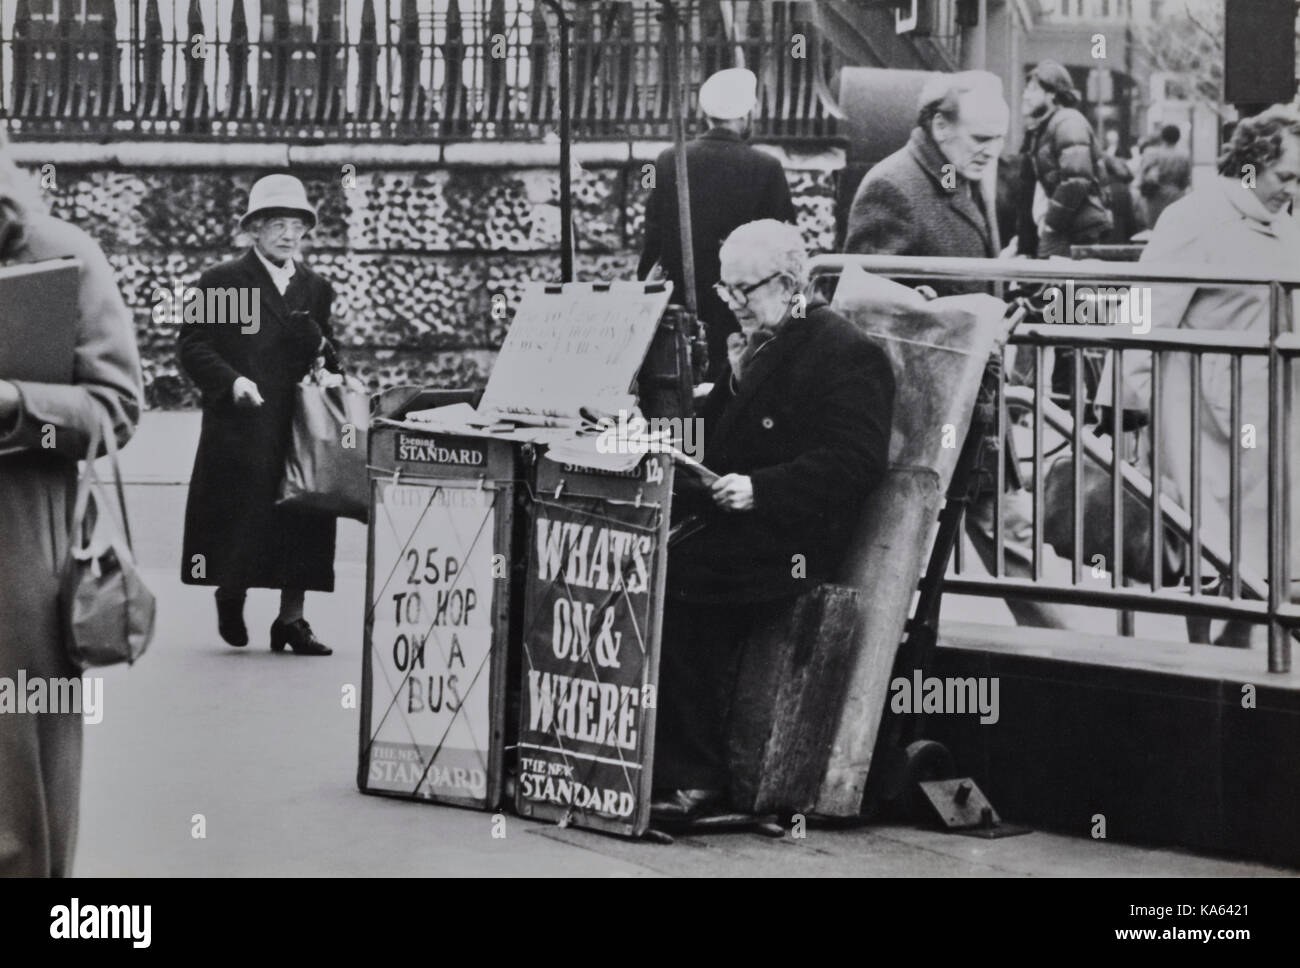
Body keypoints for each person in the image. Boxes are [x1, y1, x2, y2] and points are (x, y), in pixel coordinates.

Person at [651, 219, 895, 819]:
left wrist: (761, 489)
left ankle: (697, 773)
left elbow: (853, 462)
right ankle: (657, 756)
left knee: (678, 580)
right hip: (741, 521)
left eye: (743, 290)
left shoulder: (846, 353)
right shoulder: (760, 342)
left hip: (793, 537)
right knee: (648, 555)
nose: (730, 303)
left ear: (789, 284)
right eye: (724, 290)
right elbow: (718, 437)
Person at [845, 72, 1076, 630]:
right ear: (939, 124)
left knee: (983, 532)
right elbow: (868, 309)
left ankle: (875, 643)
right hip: (925, 409)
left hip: (964, 399)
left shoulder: (960, 175)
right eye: (980, 139)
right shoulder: (895, 186)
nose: (992, 151)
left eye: (998, 139)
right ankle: (1071, 656)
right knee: (952, 535)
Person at [1099, 105, 1300, 647]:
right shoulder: (1195, 218)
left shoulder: (1284, 222)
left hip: (1271, 407)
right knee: (1211, 547)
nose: (1294, 189)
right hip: (1204, 414)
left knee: (1268, 545)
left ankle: (1244, 657)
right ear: (1253, 164)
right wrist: (1122, 402)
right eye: (1288, 176)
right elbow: (1146, 312)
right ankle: (1208, 660)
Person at [0, 129, 144, 875]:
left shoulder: (59, 253)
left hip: (16, 567)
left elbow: (116, 409)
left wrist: (17, 402)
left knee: (17, 814)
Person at [178, 173, 340, 656]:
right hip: (242, 423)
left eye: (297, 225)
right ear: (253, 229)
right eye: (277, 225)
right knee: (241, 513)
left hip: (299, 423)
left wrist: (327, 362)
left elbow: (331, 353)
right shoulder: (224, 281)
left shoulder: (315, 288)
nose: (289, 235)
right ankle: (231, 593)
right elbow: (193, 345)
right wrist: (232, 382)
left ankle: (291, 620)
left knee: (305, 512)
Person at [638, 67, 797, 382]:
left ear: (707, 115)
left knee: (685, 407)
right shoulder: (766, 167)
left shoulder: (669, 160)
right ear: (746, 114)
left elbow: (652, 240)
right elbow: (785, 247)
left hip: (683, 312)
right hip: (744, 307)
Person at [1016, 61, 1112, 258]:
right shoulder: (1048, 125)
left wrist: (1052, 225)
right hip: (1070, 228)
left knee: (1063, 286)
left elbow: (1076, 180)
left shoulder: (1068, 121)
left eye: (1032, 90)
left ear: (1052, 94)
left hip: (1072, 231)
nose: (1025, 96)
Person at [1138, 124, 1192, 229]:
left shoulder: (1151, 153)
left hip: (1155, 195)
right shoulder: (1183, 156)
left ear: (1162, 137)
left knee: (1155, 228)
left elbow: (1142, 175)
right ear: (1178, 138)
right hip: (1176, 195)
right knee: (1173, 228)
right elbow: (1185, 181)